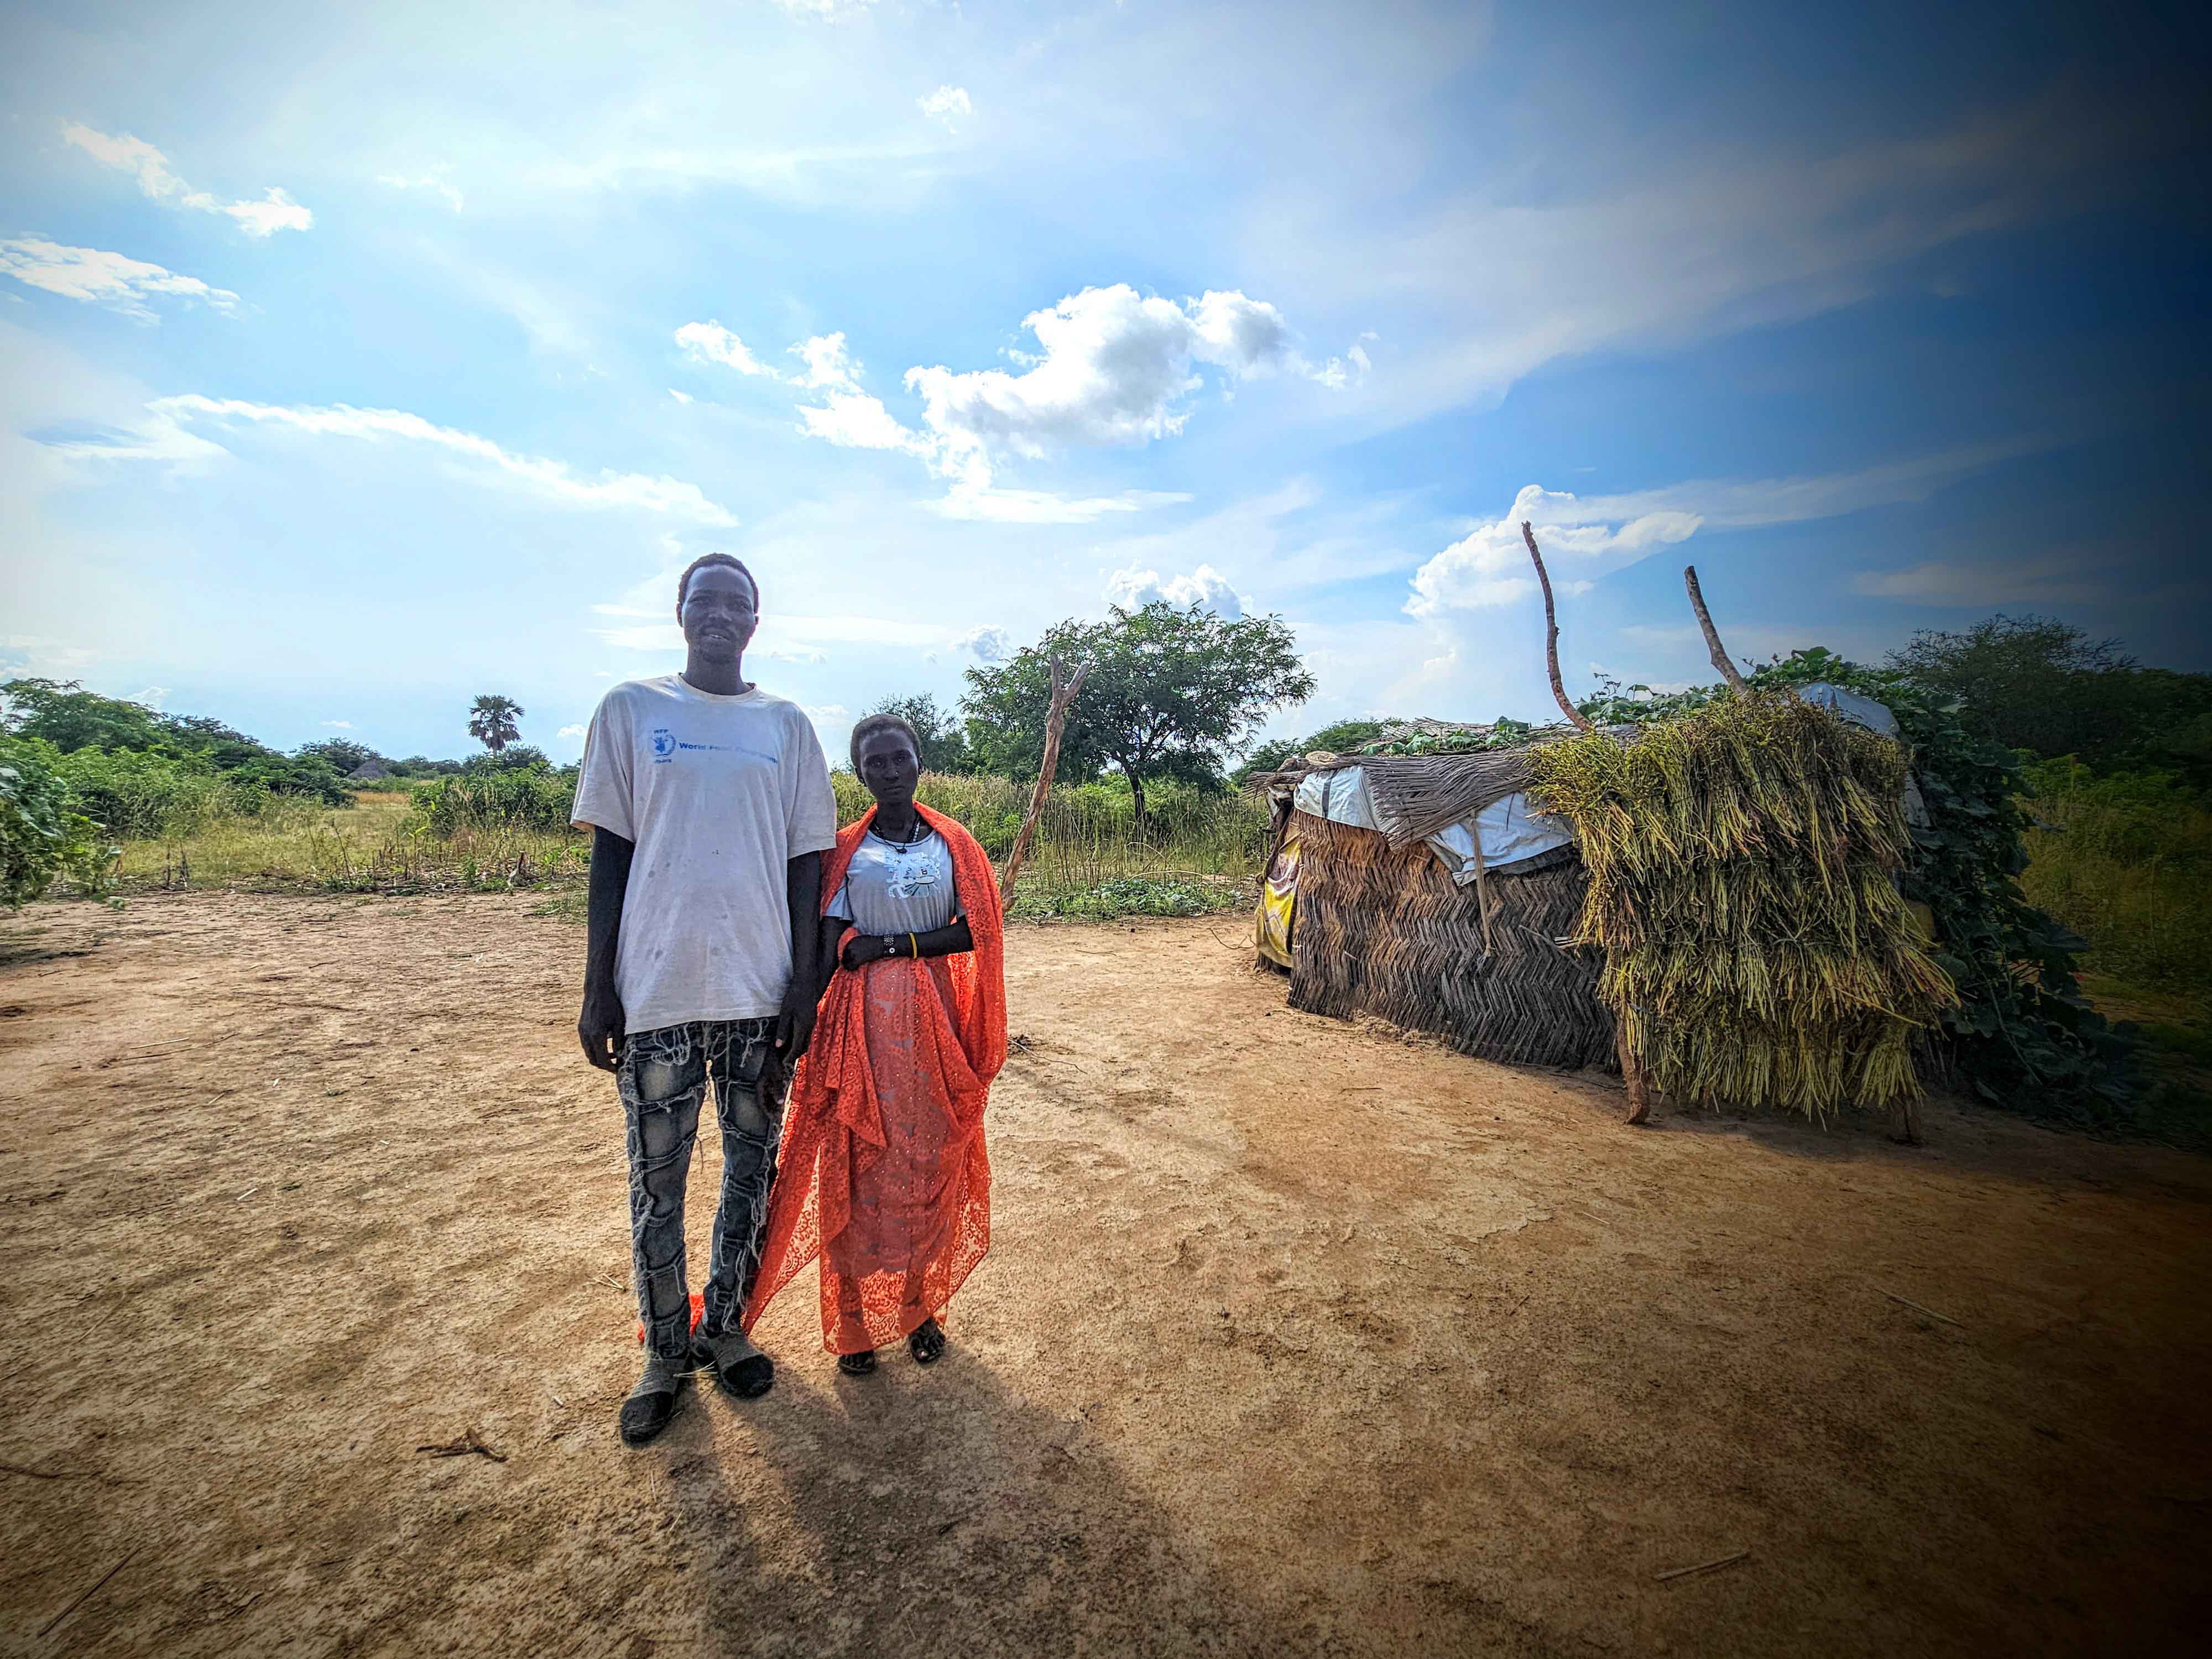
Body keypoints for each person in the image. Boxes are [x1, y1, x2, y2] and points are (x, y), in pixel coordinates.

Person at [571, 552, 837, 1446]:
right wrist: (597, 986)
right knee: (658, 1179)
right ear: (680, 613)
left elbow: (809, 862)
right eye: (704, 601)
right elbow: (610, 859)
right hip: (656, 991)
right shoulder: (632, 710)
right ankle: (662, 1350)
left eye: (737, 604)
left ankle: (724, 1326)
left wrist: (804, 982)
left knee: (749, 1174)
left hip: (760, 991)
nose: (720, 615)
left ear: (755, 622)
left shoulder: (787, 727)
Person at [744, 713, 1006, 1374]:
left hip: (933, 1024)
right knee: (856, 1167)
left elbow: (979, 930)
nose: (889, 772)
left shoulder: (954, 845)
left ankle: (920, 1310)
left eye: (899, 759)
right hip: (859, 1027)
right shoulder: (844, 849)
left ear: (919, 762)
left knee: (927, 1166)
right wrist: (799, 1017)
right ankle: (856, 1323)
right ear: (858, 772)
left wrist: (892, 945)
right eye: (874, 764)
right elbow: (826, 943)